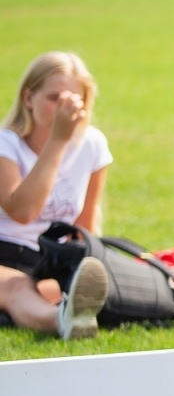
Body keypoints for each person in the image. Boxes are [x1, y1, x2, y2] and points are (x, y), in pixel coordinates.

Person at [0, 51, 112, 340]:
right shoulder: (7, 144)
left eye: (75, 100)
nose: (65, 108)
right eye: (54, 98)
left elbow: (83, 226)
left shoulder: (92, 145)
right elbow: (22, 211)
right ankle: (61, 320)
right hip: (6, 253)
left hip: (48, 258)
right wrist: (58, 140)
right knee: (18, 288)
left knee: (74, 284)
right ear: (28, 99)